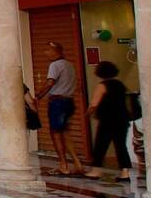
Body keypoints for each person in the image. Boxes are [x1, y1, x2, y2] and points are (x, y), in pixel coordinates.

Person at [39, 42, 83, 175]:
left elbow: (50, 82)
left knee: (56, 134)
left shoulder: (55, 65)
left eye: (48, 50)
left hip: (58, 102)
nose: (45, 53)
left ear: (55, 51)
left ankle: (63, 165)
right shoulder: (69, 65)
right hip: (69, 101)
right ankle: (77, 163)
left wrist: (39, 96)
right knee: (65, 132)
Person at [85, 61, 132, 181]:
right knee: (121, 146)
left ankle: (96, 170)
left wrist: (87, 114)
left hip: (107, 120)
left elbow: (94, 103)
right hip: (122, 119)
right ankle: (125, 172)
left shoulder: (102, 85)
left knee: (100, 145)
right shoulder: (120, 85)